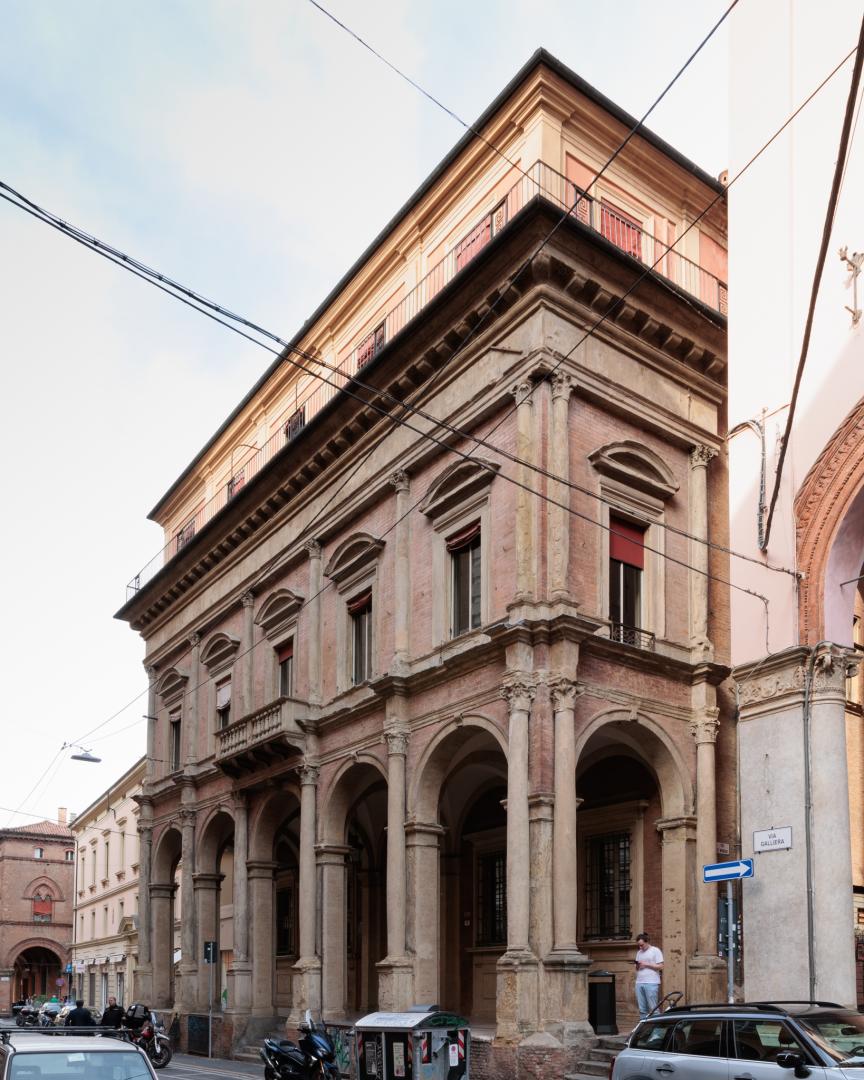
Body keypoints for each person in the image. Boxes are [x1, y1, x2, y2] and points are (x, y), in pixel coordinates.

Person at [634, 932, 664, 1020]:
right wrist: (637, 965)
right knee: (642, 1009)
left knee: (654, 1008)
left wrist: (647, 965)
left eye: (642, 945)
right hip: (639, 982)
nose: (640, 947)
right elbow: (636, 968)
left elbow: (661, 966)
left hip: (651, 982)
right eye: (638, 945)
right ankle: (644, 1031)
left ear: (647, 942)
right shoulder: (639, 952)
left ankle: (657, 1032)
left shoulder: (655, 950)